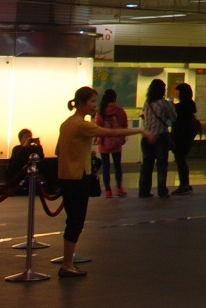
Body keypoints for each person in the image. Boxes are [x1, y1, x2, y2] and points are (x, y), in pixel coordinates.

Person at [55, 85, 144, 277]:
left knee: (73, 220)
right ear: (81, 103)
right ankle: (68, 264)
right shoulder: (82, 125)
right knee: (76, 222)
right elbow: (110, 133)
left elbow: (58, 150)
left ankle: (68, 261)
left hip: (67, 176)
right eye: (92, 101)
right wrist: (138, 132)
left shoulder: (67, 123)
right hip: (78, 177)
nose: (95, 105)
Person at [139, 78, 176, 199]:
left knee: (147, 165)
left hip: (147, 137)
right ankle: (162, 190)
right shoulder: (163, 103)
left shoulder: (147, 103)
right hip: (161, 136)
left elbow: (144, 118)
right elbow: (173, 117)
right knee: (161, 165)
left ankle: (144, 191)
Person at [96, 89, 128, 198]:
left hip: (104, 142)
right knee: (117, 165)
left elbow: (98, 127)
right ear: (115, 98)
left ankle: (108, 191)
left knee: (106, 167)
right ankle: (119, 188)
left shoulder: (101, 112)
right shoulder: (120, 111)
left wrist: (100, 139)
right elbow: (124, 125)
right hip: (116, 143)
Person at [172, 82, 201, 195]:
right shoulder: (190, 105)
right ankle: (185, 184)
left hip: (181, 137)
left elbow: (176, 121)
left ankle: (183, 185)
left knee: (180, 161)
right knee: (182, 160)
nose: (178, 95)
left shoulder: (180, 107)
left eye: (179, 93)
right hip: (187, 137)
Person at [7, 128, 44, 194]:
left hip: (32, 170)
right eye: (26, 137)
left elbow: (41, 158)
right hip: (20, 170)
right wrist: (24, 147)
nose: (29, 138)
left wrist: (39, 146)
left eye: (30, 136)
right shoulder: (17, 148)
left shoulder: (34, 148)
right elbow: (15, 160)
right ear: (21, 139)